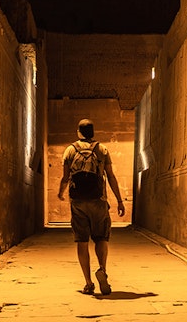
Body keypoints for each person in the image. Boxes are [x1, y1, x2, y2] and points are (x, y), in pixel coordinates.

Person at [57, 119, 125, 295]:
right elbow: (110, 176)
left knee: (82, 241)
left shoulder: (70, 150)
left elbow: (65, 177)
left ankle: (88, 283)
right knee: (101, 237)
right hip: (98, 200)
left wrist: (61, 193)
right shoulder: (102, 149)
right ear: (93, 132)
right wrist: (119, 200)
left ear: (79, 132)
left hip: (78, 202)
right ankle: (101, 269)